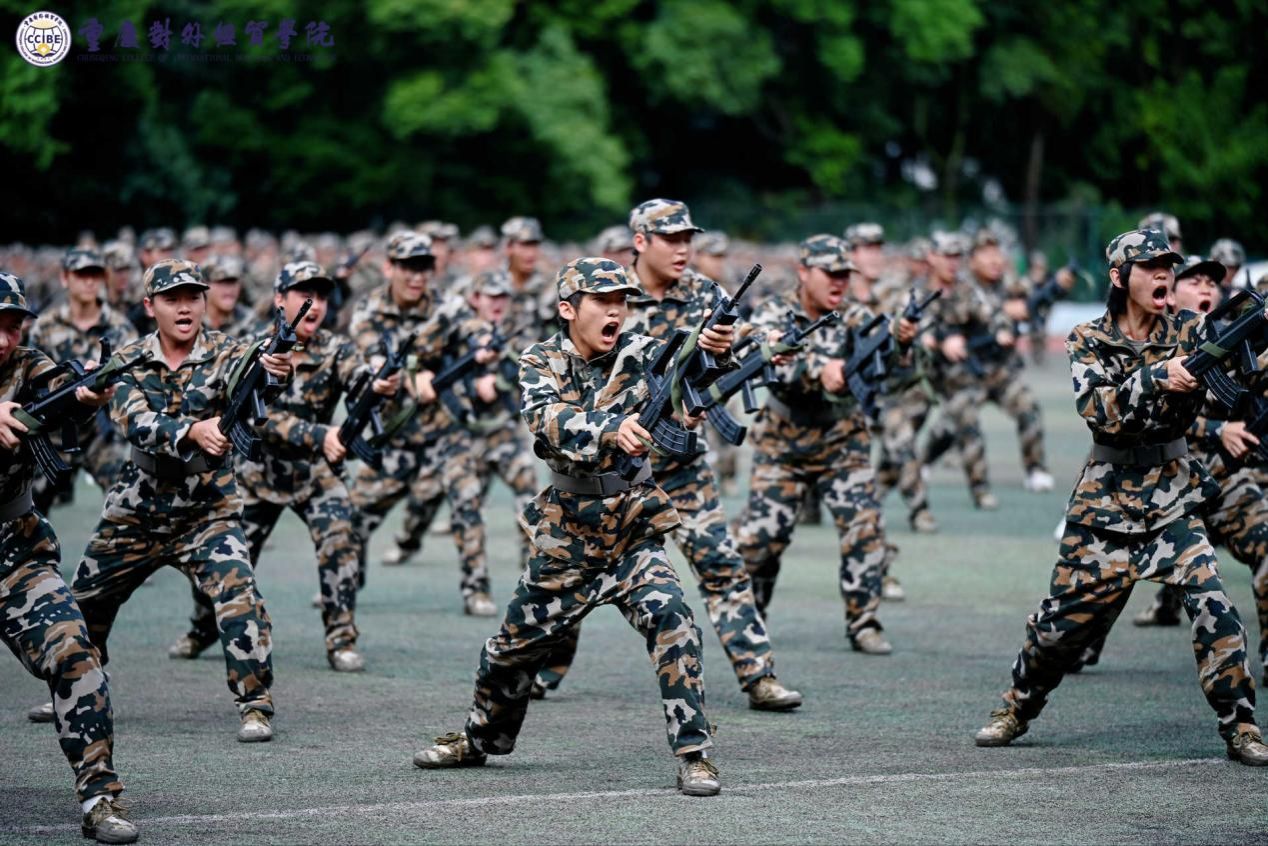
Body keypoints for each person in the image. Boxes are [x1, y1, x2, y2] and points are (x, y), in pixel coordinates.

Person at [412, 257, 720, 796]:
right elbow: (546, 418)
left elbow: (691, 372)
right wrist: (612, 428)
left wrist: (716, 351)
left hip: (631, 527)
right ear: (568, 309)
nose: (615, 312)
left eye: (622, 302)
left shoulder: (644, 352)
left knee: (674, 619)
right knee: (510, 651)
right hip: (567, 535)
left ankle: (695, 754)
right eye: (603, 302)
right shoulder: (540, 360)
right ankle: (479, 739)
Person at [974, 229, 1268, 765]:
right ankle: (1017, 705)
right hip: (1105, 506)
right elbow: (1102, 413)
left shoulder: (1191, 329)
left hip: (1173, 500)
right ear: (1118, 276)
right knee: (1060, 629)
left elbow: (1239, 377)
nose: (1164, 275)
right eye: (1151, 266)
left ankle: (1241, 724)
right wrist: (1156, 377)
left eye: (1168, 266)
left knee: (1215, 606)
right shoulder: (1087, 338)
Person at [532, 200, 803, 710]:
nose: (683, 249)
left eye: (687, 239)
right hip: (613, 470)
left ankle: (759, 675)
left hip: (682, 467)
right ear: (640, 241)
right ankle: (542, 669)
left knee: (722, 565)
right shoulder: (612, 296)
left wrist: (739, 349)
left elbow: (743, 348)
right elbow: (584, 367)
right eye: (670, 239)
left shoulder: (706, 293)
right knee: (571, 573)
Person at [64, 259, 290, 743]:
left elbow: (257, 377)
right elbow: (135, 423)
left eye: (193, 297)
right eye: (172, 299)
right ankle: (76, 689)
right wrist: (192, 430)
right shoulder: (127, 360)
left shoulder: (230, 352)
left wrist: (274, 372)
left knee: (239, 596)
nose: (184, 308)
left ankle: (255, 704)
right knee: (82, 604)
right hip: (136, 508)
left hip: (207, 509)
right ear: (150, 306)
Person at [167, 261, 387, 671]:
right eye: (304, 295)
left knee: (342, 540)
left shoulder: (337, 349)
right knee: (221, 561)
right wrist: (318, 434)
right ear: (279, 299)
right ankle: (202, 629)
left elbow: (361, 386)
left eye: (321, 297)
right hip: (256, 474)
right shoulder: (252, 349)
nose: (314, 305)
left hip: (315, 476)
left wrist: (380, 387)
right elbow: (256, 420)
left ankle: (342, 640)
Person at [0, 271, 139, 843]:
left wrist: (87, 393)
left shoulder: (28, 365)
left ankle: (99, 797)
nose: (4, 339)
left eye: (13, 326)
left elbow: (64, 389)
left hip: (13, 549)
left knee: (75, 652)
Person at [734, 235, 917, 655]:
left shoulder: (855, 314)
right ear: (803, 272)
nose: (839, 282)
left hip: (842, 441)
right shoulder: (774, 311)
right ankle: (752, 618)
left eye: (844, 275)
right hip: (783, 443)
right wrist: (820, 369)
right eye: (830, 274)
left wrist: (901, 341)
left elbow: (887, 362)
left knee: (865, 530)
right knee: (762, 540)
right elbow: (768, 353)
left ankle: (864, 623)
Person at [26, 247, 137, 514]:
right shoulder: (45, 327)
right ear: (65, 278)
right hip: (53, 434)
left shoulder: (121, 328)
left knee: (129, 498)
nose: (89, 282)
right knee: (28, 509)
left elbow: (132, 383)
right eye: (81, 274)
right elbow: (30, 381)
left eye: (95, 275)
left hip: (101, 433)